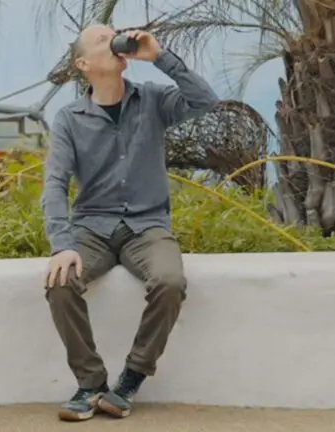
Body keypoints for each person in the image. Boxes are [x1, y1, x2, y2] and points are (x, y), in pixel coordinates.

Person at [41, 24, 219, 422]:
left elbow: (206, 102)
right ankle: (90, 383)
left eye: (116, 35)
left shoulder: (153, 100)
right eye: (104, 39)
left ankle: (131, 380)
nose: (117, 40)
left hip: (148, 225)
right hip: (92, 227)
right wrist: (62, 243)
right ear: (83, 64)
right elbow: (54, 185)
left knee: (170, 282)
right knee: (60, 282)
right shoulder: (69, 119)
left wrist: (158, 57)